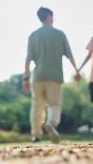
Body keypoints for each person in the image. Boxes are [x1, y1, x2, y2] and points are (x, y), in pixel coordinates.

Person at [23, 7, 79, 144]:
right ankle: (51, 124)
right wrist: (77, 71)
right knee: (54, 105)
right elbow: (69, 55)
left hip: (37, 77)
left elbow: (28, 59)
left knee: (37, 106)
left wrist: (25, 78)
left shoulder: (33, 35)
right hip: (55, 76)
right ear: (49, 16)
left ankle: (36, 136)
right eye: (52, 16)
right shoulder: (60, 34)